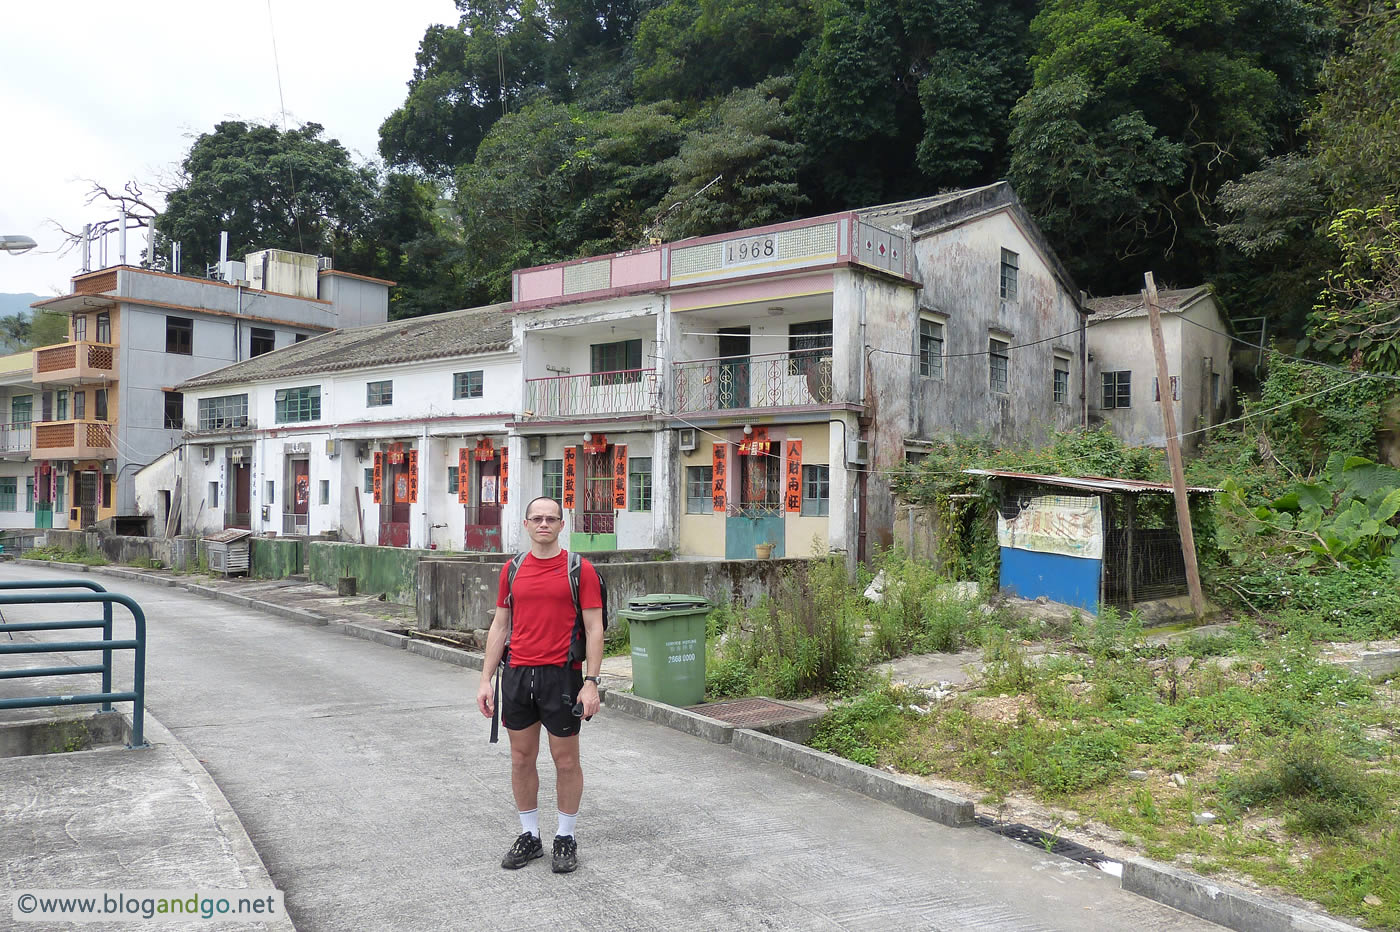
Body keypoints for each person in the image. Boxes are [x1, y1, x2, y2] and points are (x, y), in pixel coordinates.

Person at [477, 496, 604, 874]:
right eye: (537, 518)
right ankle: (530, 835)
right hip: (516, 674)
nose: (544, 524)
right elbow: (500, 625)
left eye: (551, 518)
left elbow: (595, 628)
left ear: (562, 525)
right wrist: (485, 679)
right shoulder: (512, 569)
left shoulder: (580, 569)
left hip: (561, 676)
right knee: (520, 758)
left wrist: (592, 683)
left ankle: (565, 836)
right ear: (526, 524)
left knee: (565, 760)